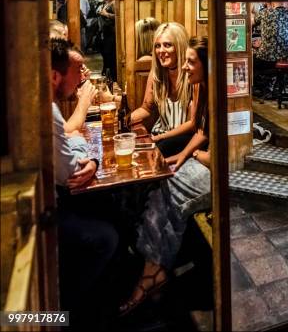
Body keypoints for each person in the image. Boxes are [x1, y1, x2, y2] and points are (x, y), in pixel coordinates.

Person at [119, 37, 211, 316]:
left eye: (190, 61)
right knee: (160, 181)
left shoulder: (223, 95)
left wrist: (190, 156)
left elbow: (216, 154)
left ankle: (151, 274)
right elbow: (201, 132)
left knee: (167, 190)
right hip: (198, 158)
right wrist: (177, 159)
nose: (184, 67)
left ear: (207, 65)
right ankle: (152, 267)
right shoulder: (202, 87)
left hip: (217, 170)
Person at [50, 38, 118, 318]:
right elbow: (71, 174)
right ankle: (67, 313)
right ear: (55, 76)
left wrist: (85, 154)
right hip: (46, 211)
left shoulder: (49, 105)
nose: (83, 77)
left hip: (56, 197)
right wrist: (88, 156)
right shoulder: (47, 109)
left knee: (110, 206)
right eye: (78, 71)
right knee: (107, 236)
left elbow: (71, 142)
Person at [130, 22, 195, 156]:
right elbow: (146, 109)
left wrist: (160, 138)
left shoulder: (192, 75)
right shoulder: (156, 74)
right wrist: (123, 121)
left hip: (182, 139)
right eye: (157, 46)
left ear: (180, 47)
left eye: (167, 45)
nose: (161, 51)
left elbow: (191, 125)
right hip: (161, 136)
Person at [98, 0, 116, 81]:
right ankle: (107, 72)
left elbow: (118, 16)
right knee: (106, 53)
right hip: (106, 32)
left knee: (109, 54)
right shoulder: (106, 3)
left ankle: (110, 75)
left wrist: (106, 14)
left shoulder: (114, 3)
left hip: (112, 33)